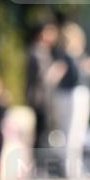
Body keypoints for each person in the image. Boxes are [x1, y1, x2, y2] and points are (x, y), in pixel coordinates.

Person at [52, 22, 90, 177]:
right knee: (74, 133)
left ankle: (72, 167)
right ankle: (72, 169)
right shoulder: (71, 55)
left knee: (71, 133)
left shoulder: (62, 54)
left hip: (64, 94)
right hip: (74, 95)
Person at [25, 21, 66, 153]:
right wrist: (56, 70)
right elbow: (43, 77)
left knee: (44, 131)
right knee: (40, 130)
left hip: (45, 97)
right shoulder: (37, 51)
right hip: (39, 98)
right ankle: (37, 164)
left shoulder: (45, 51)